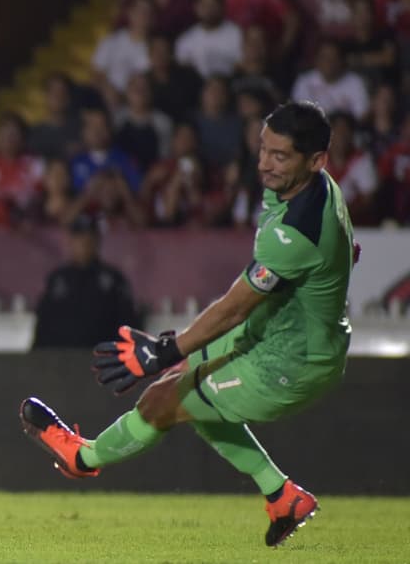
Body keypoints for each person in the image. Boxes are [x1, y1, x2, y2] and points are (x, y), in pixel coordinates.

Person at [20, 101, 354, 548]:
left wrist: (165, 350)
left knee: (165, 399)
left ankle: (83, 458)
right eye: (263, 149)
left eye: (280, 156)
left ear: (316, 160)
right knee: (186, 389)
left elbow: (234, 309)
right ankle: (282, 496)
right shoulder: (314, 189)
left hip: (291, 362)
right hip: (277, 329)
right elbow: (341, 251)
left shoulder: (297, 230)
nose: (265, 164)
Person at [31, 215, 138, 349]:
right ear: (71, 241)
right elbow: (43, 325)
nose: (84, 243)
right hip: (61, 357)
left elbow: (128, 324)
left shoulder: (113, 280)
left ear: (97, 241)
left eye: (90, 237)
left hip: (102, 356)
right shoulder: (58, 280)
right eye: (79, 237)